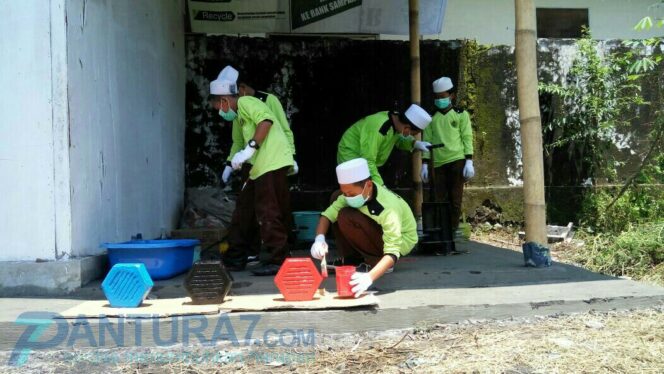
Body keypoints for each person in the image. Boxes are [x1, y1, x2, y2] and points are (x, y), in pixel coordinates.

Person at [209, 74, 293, 276]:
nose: (221, 113)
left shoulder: (246, 102)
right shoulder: (238, 115)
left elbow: (266, 121)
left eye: (219, 108)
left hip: (271, 162)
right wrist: (230, 164)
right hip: (257, 167)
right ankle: (235, 257)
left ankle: (279, 259)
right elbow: (237, 142)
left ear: (224, 100)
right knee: (243, 211)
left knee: (267, 211)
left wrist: (250, 149)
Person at [310, 158, 419, 298]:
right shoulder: (350, 195)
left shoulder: (388, 209)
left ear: (368, 185)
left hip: (401, 241)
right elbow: (327, 216)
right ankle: (352, 259)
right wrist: (319, 239)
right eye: (346, 193)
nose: (348, 197)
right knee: (336, 198)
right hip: (378, 231)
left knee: (346, 215)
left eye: (352, 194)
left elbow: (393, 251)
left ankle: (376, 262)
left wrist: (370, 277)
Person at [421, 77, 475, 235]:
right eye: (437, 97)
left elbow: (466, 137)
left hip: (457, 160)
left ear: (452, 96)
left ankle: (452, 231)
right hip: (437, 163)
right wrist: (424, 163)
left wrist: (469, 161)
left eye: (443, 96)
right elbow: (427, 141)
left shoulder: (461, 114)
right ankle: (440, 231)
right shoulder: (431, 118)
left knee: (455, 199)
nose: (440, 100)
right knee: (439, 199)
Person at [337, 104, 433, 186]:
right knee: (358, 192)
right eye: (412, 134)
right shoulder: (379, 128)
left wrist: (414, 143)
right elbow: (367, 160)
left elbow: (398, 139)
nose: (410, 136)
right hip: (351, 158)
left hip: (367, 162)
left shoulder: (396, 122)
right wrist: (380, 186)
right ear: (407, 128)